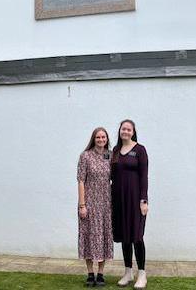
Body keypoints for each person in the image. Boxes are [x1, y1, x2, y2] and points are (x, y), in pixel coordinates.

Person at [111, 119, 149, 289]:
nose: (125, 131)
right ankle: (128, 272)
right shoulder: (115, 151)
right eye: (123, 129)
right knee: (125, 237)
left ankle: (142, 274)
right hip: (118, 199)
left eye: (128, 129)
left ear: (133, 132)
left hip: (135, 200)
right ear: (119, 131)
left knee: (136, 237)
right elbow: (109, 174)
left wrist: (144, 200)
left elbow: (144, 177)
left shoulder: (140, 150)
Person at [77, 127, 113, 287]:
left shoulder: (110, 155)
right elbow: (80, 181)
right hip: (89, 204)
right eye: (98, 137)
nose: (101, 140)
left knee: (104, 237)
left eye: (103, 137)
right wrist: (82, 205)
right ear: (94, 139)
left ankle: (101, 274)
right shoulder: (85, 156)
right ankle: (90, 273)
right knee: (89, 237)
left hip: (106, 204)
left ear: (107, 139)